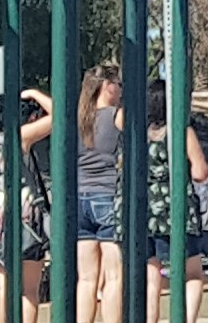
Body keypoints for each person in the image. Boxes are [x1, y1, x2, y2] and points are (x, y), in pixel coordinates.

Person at [0, 90, 54, 323]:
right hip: (22, 207)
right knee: (28, 287)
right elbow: (60, 114)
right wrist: (34, 94)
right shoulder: (19, 136)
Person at [142, 79, 208, 323]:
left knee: (152, 274)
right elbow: (200, 171)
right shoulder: (181, 131)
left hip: (146, 207)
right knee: (192, 272)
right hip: (175, 207)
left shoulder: (138, 132)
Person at [75, 65, 124, 323]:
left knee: (86, 277)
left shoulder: (79, 117)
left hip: (79, 196)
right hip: (106, 194)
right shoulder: (117, 115)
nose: (121, 90)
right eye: (119, 84)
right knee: (114, 275)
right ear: (108, 86)